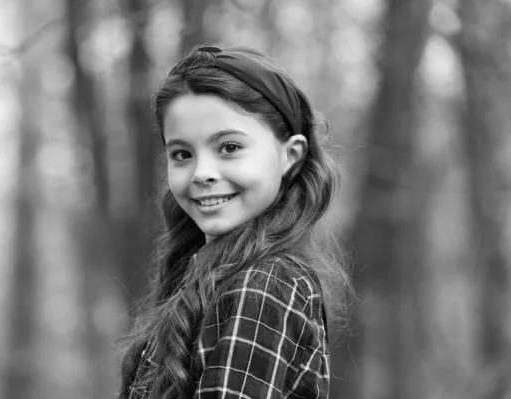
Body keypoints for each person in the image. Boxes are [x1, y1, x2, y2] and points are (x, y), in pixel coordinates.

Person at [119, 45, 352, 399]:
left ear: (290, 155)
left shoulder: (264, 283)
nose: (202, 173)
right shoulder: (203, 280)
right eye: (182, 154)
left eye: (228, 147)